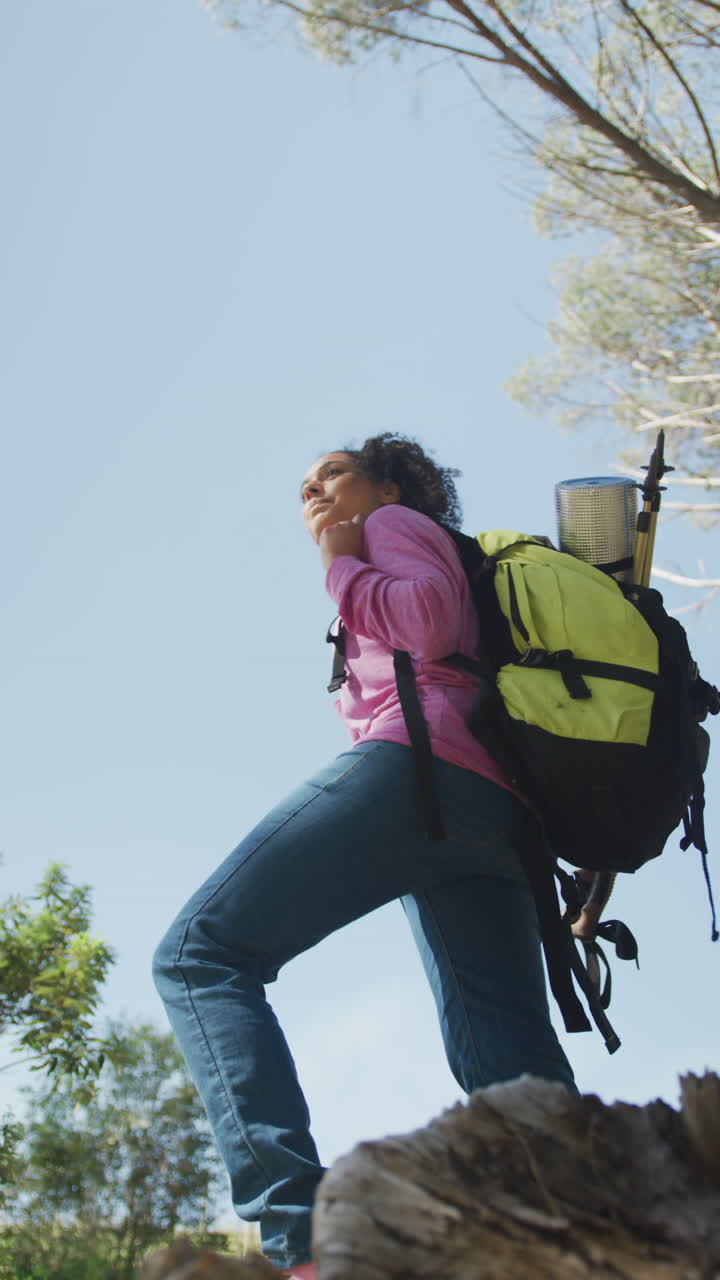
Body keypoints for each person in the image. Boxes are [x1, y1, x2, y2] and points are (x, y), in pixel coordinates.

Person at [153, 434, 576, 1279]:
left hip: (420, 772)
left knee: (200, 955)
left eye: (332, 473)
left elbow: (424, 623)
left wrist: (340, 563)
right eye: (304, 485)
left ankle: (297, 1242)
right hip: (490, 816)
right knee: (501, 1051)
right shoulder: (404, 537)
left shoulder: (390, 525)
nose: (314, 489)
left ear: (387, 483)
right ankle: (572, 1227)